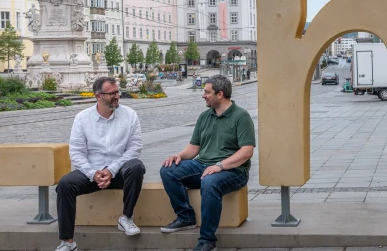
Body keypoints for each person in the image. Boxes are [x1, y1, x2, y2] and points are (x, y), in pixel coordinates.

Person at [159, 74, 255, 251]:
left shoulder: (241, 116)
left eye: (206, 92)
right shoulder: (205, 116)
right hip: (203, 165)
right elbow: (194, 147)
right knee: (168, 170)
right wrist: (178, 156)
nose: (203, 95)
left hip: (234, 171)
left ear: (220, 94)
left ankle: (207, 240)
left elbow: (246, 152)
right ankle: (186, 216)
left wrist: (220, 166)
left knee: (209, 182)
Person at [54, 77, 145, 251]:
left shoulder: (130, 115)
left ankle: (126, 218)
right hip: (91, 172)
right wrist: (92, 173)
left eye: (117, 92)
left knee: (136, 166)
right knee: (65, 184)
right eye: (112, 94)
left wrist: (111, 169)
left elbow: (134, 148)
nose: (117, 96)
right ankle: (67, 242)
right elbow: (76, 152)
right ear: (98, 96)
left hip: (119, 171)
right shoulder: (82, 118)